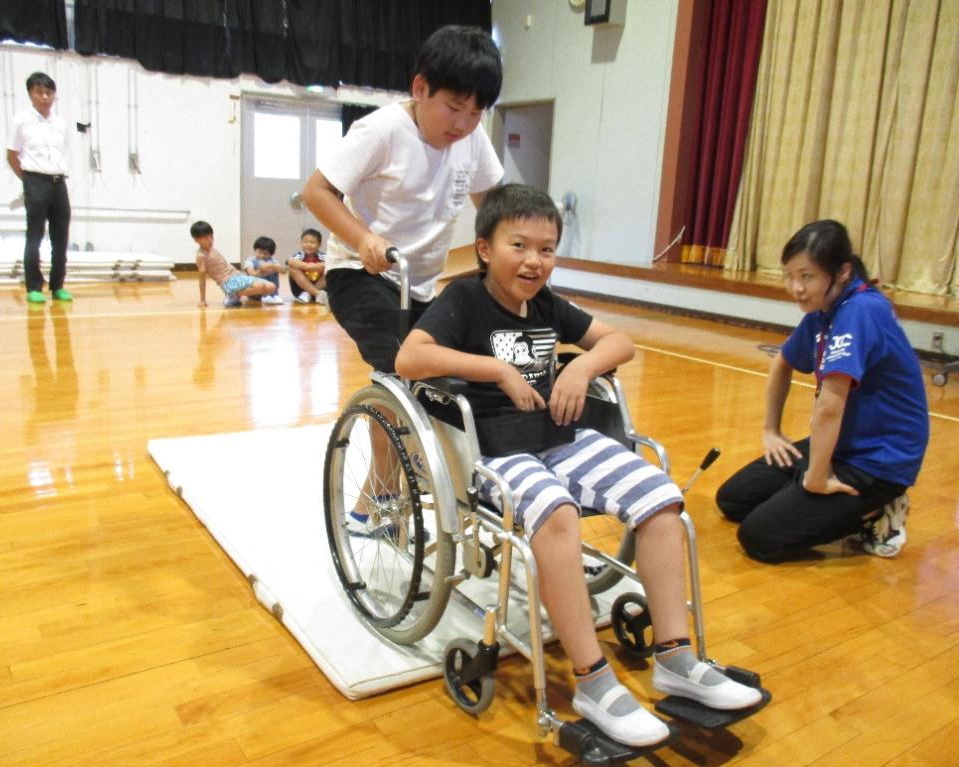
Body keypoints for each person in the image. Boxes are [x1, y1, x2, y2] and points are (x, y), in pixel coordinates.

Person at [396, 184, 762, 747]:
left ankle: (676, 658)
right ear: (485, 249)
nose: (534, 259)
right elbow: (410, 357)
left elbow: (621, 341)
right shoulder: (463, 301)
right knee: (557, 514)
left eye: (547, 248)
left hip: (559, 437)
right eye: (519, 244)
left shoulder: (546, 305)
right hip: (494, 451)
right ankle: (592, 682)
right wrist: (496, 370)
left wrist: (581, 367)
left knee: (660, 497)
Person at [715, 220, 929, 562]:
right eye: (790, 275)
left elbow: (830, 405)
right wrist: (771, 430)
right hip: (841, 443)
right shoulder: (823, 309)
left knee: (759, 538)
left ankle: (878, 509)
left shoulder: (861, 310)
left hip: (878, 459)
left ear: (842, 272)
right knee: (733, 499)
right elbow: (782, 363)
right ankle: (816, 500)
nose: (796, 287)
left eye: (807, 276)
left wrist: (815, 478)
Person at [301, 24, 504, 372]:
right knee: (403, 367)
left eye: (475, 113)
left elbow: (495, 207)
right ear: (420, 88)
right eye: (454, 107)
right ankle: (389, 421)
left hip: (421, 284)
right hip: (361, 273)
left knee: (455, 369)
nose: (463, 124)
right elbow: (316, 191)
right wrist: (364, 239)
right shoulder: (383, 131)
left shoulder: (473, 138)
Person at [7, 71, 72, 304]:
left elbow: (62, 152)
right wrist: (28, 180)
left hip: (58, 181)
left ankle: (58, 286)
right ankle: (34, 286)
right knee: (34, 235)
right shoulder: (21, 120)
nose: (45, 97)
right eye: (39, 92)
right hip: (35, 181)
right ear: (30, 94)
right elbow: (12, 155)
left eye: (49, 92)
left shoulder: (59, 123)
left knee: (61, 237)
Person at [191, 221, 277, 308]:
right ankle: (232, 295)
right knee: (261, 286)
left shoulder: (212, 248)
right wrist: (202, 299)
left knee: (272, 287)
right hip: (227, 282)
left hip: (237, 276)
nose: (210, 240)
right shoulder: (201, 255)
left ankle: (240, 295)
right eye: (206, 238)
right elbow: (202, 278)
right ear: (196, 239)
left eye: (211, 236)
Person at [286, 228, 327, 304]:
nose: (308, 245)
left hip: (322, 289)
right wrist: (308, 266)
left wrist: (313, 267)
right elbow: (290, 262)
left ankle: (311, 293)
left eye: (312, 242)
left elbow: (328, 263)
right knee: (292, 269)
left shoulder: (323, 256)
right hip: (301, 292)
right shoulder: (298, 256)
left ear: (319, 244)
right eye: (305, 242)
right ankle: (316, 293)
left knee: (330, 270)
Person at [243, 235, 285, 305]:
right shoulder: (250, 260)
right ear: (255, 250)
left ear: (271, 254)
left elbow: (283, 271)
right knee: (264, 272)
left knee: (274, 271)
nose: (262, 256)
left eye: (265, 254)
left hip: (270, 289)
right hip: (254, 291)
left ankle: (274, 295)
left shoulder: (273, 261)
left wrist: (272, 266)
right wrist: (262, 270)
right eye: (259, 252)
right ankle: (265, 295)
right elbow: (252, 273)